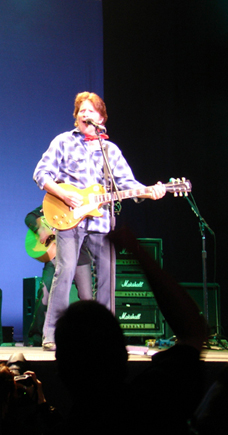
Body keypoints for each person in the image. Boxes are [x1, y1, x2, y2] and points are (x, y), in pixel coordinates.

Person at [33, 92, 167, 351]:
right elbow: (41, 173)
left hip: (102, 220)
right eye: (81, 111)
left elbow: (127, 184)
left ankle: (104, 336)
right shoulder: (63, 142)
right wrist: (63, 193)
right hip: (69, 217)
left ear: (101, 118)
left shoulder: (110, 151)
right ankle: (51, 335)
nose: (85, 114)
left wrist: (149, 191)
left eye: (91, 111)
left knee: (107, 274)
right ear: (76, 118)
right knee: (65, 270)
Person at [50, 228, 207, 435]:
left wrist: (42, 406)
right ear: (123, 355)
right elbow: (194, 332)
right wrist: (138, 254)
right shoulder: (151, 402)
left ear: (61, 371)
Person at [24, 206, 93, 345]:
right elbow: (30, 217)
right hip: (57, 254)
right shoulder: (55, 204)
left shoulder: (85, 204)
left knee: (87, 298)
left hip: (80, 255)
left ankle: (89, 337)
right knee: (46, 295)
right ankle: (37, 337)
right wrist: (41, 229)